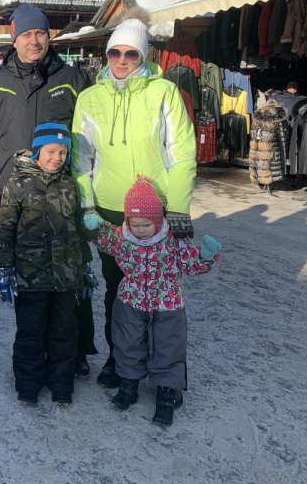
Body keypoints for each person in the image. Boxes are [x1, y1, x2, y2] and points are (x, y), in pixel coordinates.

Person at [71, 8, 197, 388]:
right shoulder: (90, 98)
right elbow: (82, 160)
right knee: (120, 290)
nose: (122, 61)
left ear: (143, 57)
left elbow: (182, 153)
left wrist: (176, 207)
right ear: (106, 55)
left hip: (155, 211)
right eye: (115, 53)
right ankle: (119, 359)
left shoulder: (164, 92)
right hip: (110, 210)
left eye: (131, 54)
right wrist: (87, 205)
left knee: (159, 289)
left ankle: (165, 367)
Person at [0, 3, 94, 376]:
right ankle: (33, 352)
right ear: (14, 38)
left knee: (70, 275)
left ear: (49, 36)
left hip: (64, 196)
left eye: (40, 33)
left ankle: (73, 353)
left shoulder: (73, 79)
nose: (34, 40)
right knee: (28, 280)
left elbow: (93, 138)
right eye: (26, 34)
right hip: (18, 196)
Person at [84, 175, 219, 426]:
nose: (140, 230)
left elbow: (190, 263)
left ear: (157, 220)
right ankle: (128, 384)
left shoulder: (173, 241)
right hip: (131, 301)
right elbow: (106, 239)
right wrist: (98, 225)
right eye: (134, 224)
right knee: (128, 343)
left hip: (167, 304)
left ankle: (167, 393)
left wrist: (206, 256)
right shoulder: (124, 237)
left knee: (168, 345)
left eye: (146, 224)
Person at [0, 122, 95, 407]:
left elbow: (78, 230)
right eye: (51, 151)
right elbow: (6, 229)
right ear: (38, 150)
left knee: (64, 330)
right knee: (30, 331)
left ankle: (61, 384)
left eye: (63, 152)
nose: (57, 158)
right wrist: (3, 268)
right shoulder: (18, 184)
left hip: (66, 273)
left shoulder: (70, 183)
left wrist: (85, 267)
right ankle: (28, 385)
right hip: (31, 274)